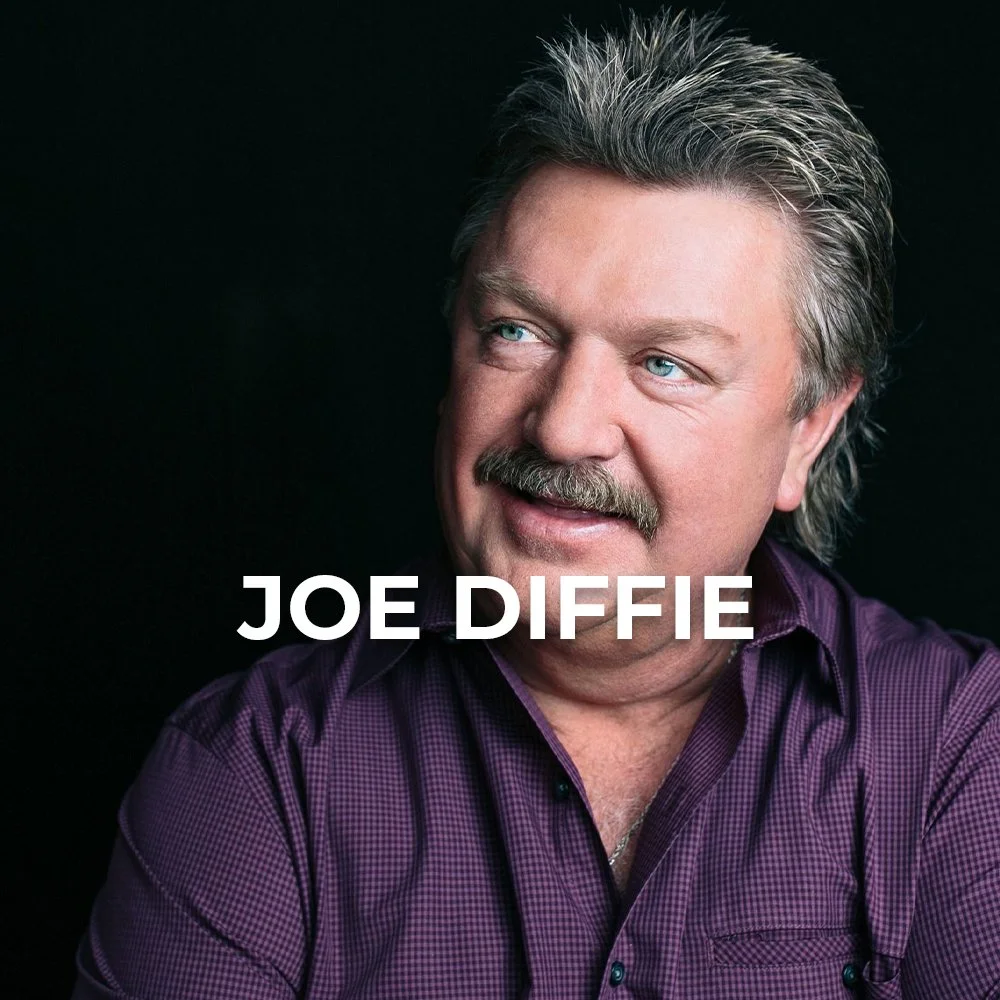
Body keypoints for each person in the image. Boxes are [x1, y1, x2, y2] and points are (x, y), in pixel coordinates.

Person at [73, 9, 1000, 998]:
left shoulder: (955, 750)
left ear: (808, 429)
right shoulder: (258, 771)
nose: (562, 428)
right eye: (517, 332)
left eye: (664, 364)